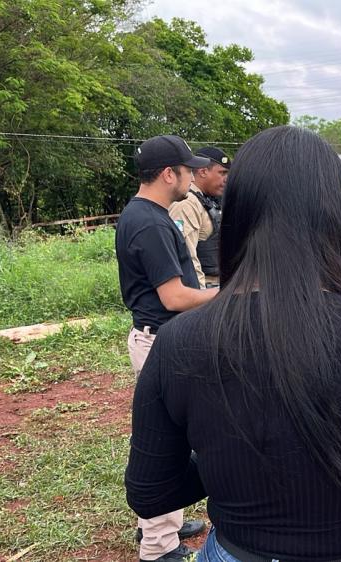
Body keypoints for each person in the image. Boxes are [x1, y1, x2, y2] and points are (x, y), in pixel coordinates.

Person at [125, 126, 341, 562]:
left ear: (237, 217)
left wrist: (226, 462)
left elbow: (150, 491)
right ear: (338, 219)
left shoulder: (179, 341)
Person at [115, 135, 219, 561]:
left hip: (159, 339)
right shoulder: (153, 224)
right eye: (187, 170)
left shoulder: (143, 213)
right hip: (161, 342)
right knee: (165, 439)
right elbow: (174, 297)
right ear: (167, 174)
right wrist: (228, 294)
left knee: (169, 434)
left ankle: (163, 523)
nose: (193, 177)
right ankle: (158, 546)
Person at [168, 147, 231, 288]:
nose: (226, 179)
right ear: (203, 172)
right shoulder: (187, 203)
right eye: (222, 173)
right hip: (202, 287)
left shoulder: (207, 200)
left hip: (215, 285)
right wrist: (200, 295)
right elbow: (186, 258)